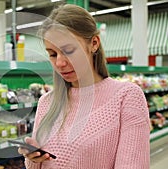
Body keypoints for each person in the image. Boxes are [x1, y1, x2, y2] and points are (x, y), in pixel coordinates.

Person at [17, 4, 150, 169]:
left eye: (69, 50)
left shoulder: (126, 97)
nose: (59, 63)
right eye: (52, 54)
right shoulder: (46, 103)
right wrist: (33, 158)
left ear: (94, 43)